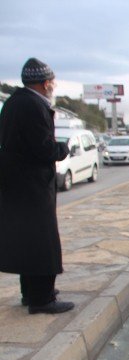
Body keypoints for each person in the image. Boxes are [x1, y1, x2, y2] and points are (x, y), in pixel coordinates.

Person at [0, 58, 74, 314]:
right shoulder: (33, 106)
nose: (53, 85)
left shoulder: (13, 102)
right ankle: (42, 299)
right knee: (43, 243)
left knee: (27, 241)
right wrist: (63, 148)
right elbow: (42, 148)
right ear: (45, 83)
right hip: (32, 186)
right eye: (51, 81)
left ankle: (30, 293)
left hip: (17, 185)